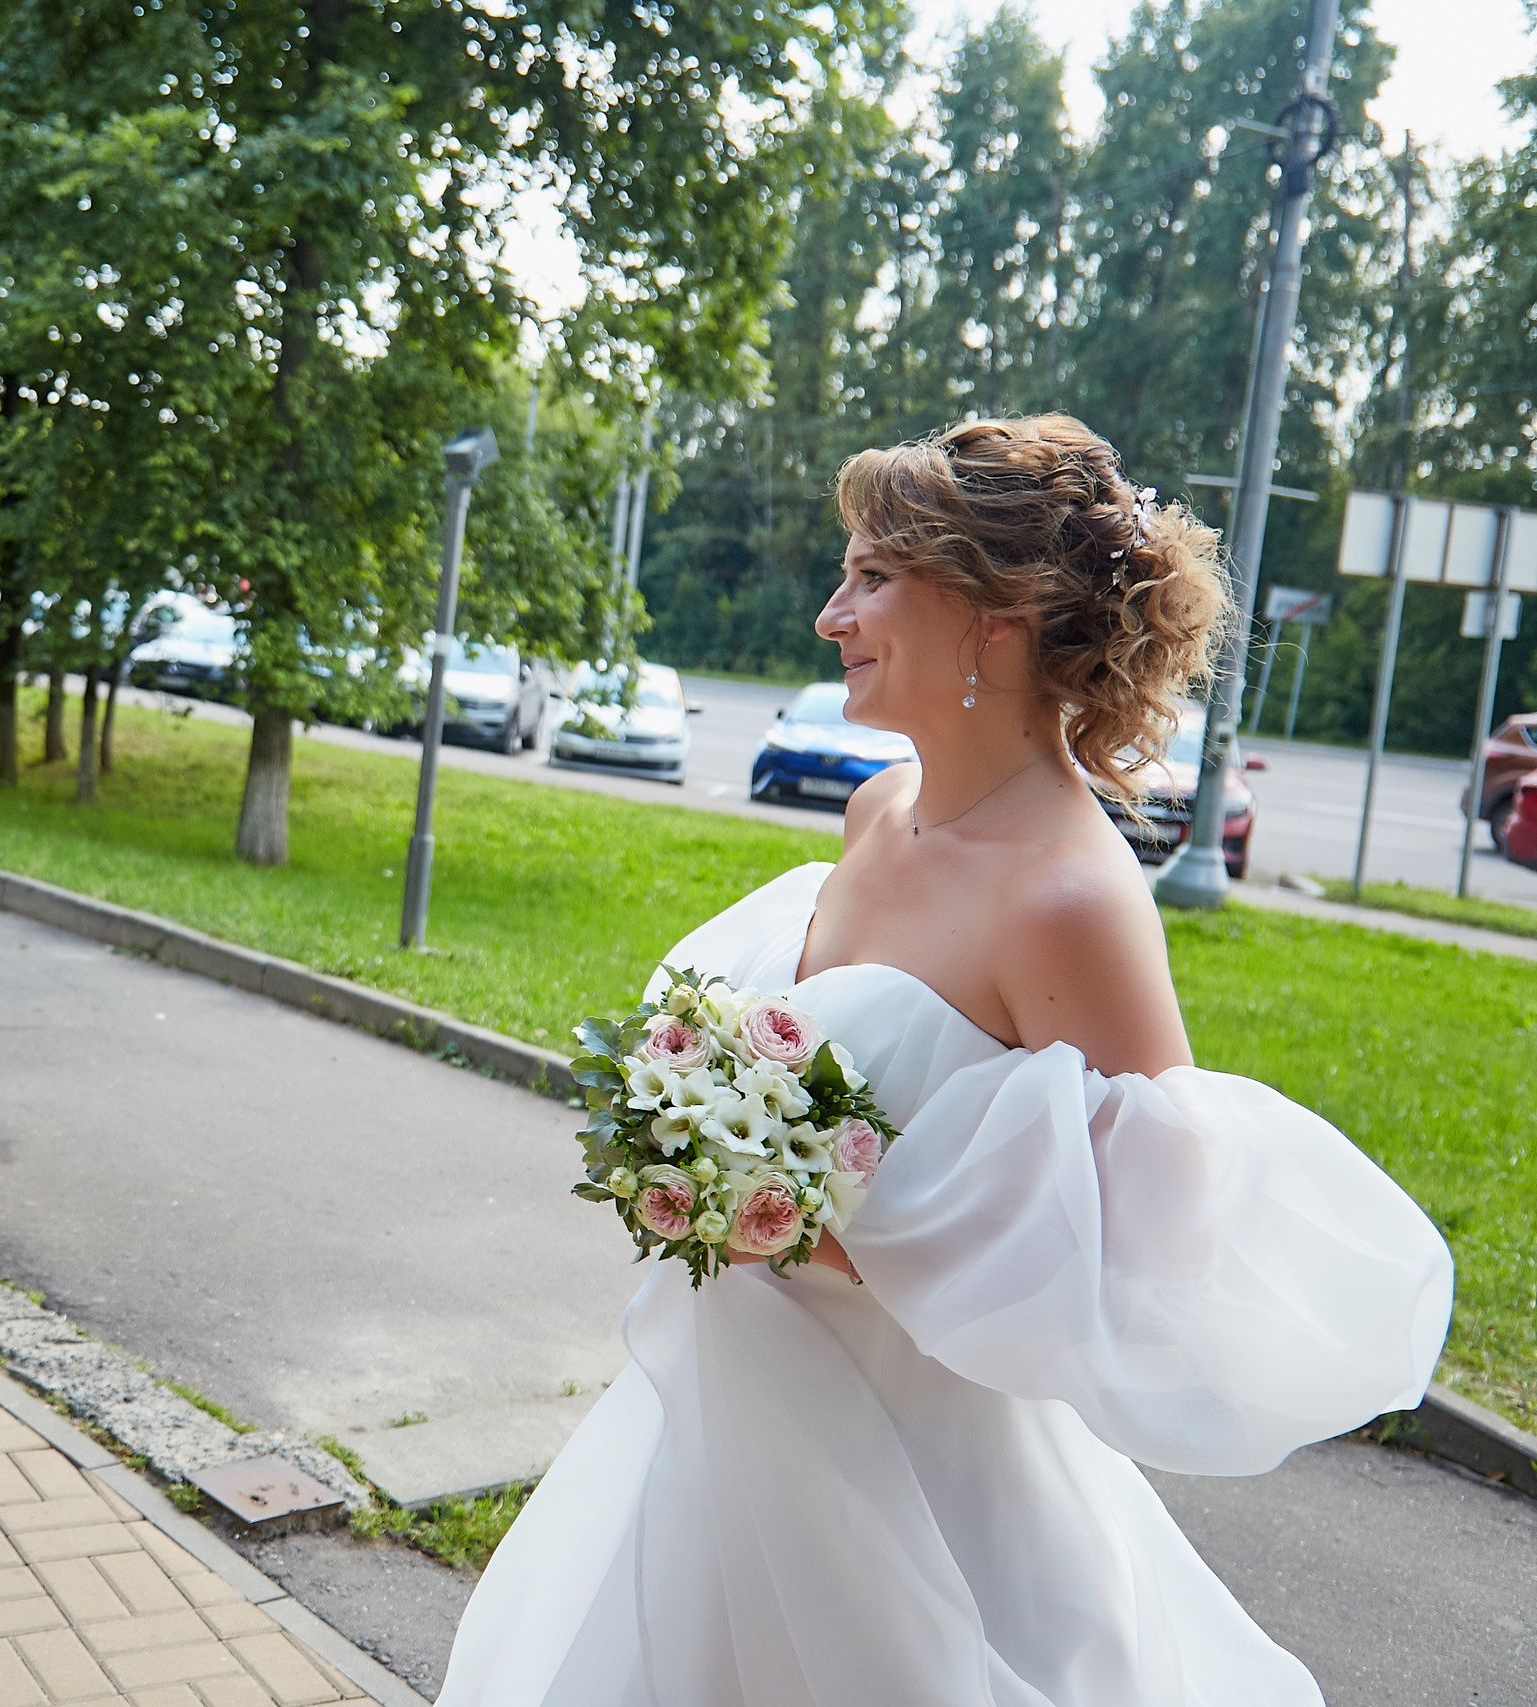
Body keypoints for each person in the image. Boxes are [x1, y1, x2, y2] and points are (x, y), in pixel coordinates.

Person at [436, 415, 1453, 1707]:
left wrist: (813, 1226)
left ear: (998, 616)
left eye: (870, 577)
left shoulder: (1069, 900)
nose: (828, 613)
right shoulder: (873, 813)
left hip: (919, 1479)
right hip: (731, 1427)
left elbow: (1153, 1245)